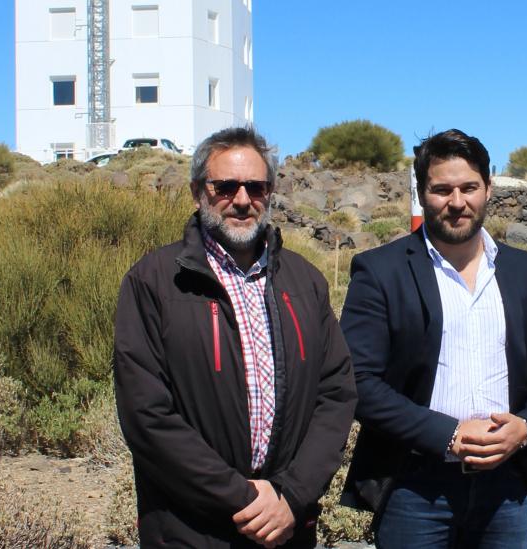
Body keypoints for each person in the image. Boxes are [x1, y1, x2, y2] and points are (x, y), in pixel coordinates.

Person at [113, 127, 357, 548]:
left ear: (270, 192)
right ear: (197, 192)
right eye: (225, 187)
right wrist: (244, 499)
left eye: (255, 187)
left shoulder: (304, 281)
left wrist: (290, 495)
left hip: (287, 526)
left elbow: (335, 394)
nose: (242, 200)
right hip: (190, 530)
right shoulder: (153, 282)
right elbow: (146, 415)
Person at [338, 129, 527, 548]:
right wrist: (446, 434)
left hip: (506, 488)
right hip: (415, 487)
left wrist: (526, 427)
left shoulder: (525, 272)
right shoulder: (380, 271)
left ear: (489, 187)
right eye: (442, 189)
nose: (457, 202)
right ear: (422, 192)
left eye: (469, 187)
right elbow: (358, 381)